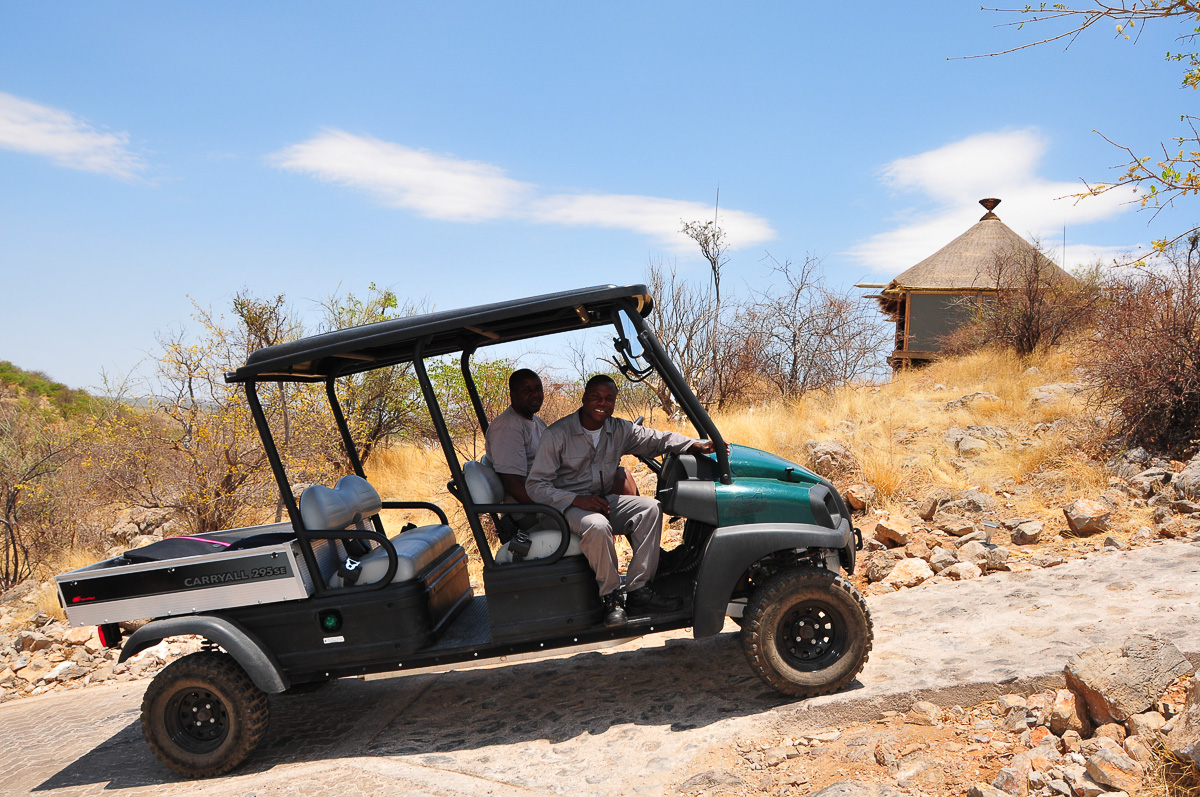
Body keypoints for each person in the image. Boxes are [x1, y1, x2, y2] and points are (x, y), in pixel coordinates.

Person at [526, 374, 716, 627]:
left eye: (608, 399)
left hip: (602, 500)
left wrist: (694, 444)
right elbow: (535, 486)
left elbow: (656, 439)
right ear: (584, 398)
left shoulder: (618, 429)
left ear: (614, 402)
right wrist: (576, 499)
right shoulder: (557, 434)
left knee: (650, 508)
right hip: (566, 508)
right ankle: (612, 597)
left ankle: (639, 590)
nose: (601, 403)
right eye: (595, 397)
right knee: (598, 525)